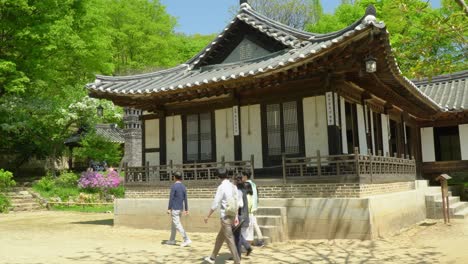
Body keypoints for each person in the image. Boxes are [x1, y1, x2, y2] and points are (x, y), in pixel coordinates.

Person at [203, 168, 241, 264]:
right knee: (220, 238)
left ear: (218, 176)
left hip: (225, 217)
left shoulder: (221, 187)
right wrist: (236, 216)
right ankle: (212, 257)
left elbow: (215, 203)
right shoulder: (233, 186)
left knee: (229, 240)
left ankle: (237, 261)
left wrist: (208, 215)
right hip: (232, 215)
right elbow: (238, 202)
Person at [166, 171, 191, 247]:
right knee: (174, 224)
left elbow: (171, 198)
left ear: (175, 177)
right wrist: (186, 209)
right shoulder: (183, 186)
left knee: (177, 224)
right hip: (180, 208)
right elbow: (185, 199)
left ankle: (186, 239)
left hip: (175, 208)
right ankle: (172, 240)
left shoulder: (174, 186)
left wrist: (169, 208)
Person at [242, 170, 265, 247]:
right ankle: (260, 239)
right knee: (254, 222)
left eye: (242, 176)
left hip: (249, 207)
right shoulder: (254, 184)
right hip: (254, 206)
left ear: (245, 176)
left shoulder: (246, 184)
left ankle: (255, 241)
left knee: (251, 224)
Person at [233, 174, 252, 259]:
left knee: (236, 236)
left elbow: (240, 204)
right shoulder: (243, 189)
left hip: (240, 215)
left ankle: (238, 255)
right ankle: (247, 247)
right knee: (238, 234)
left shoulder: (239, 190)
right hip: (244, 214)